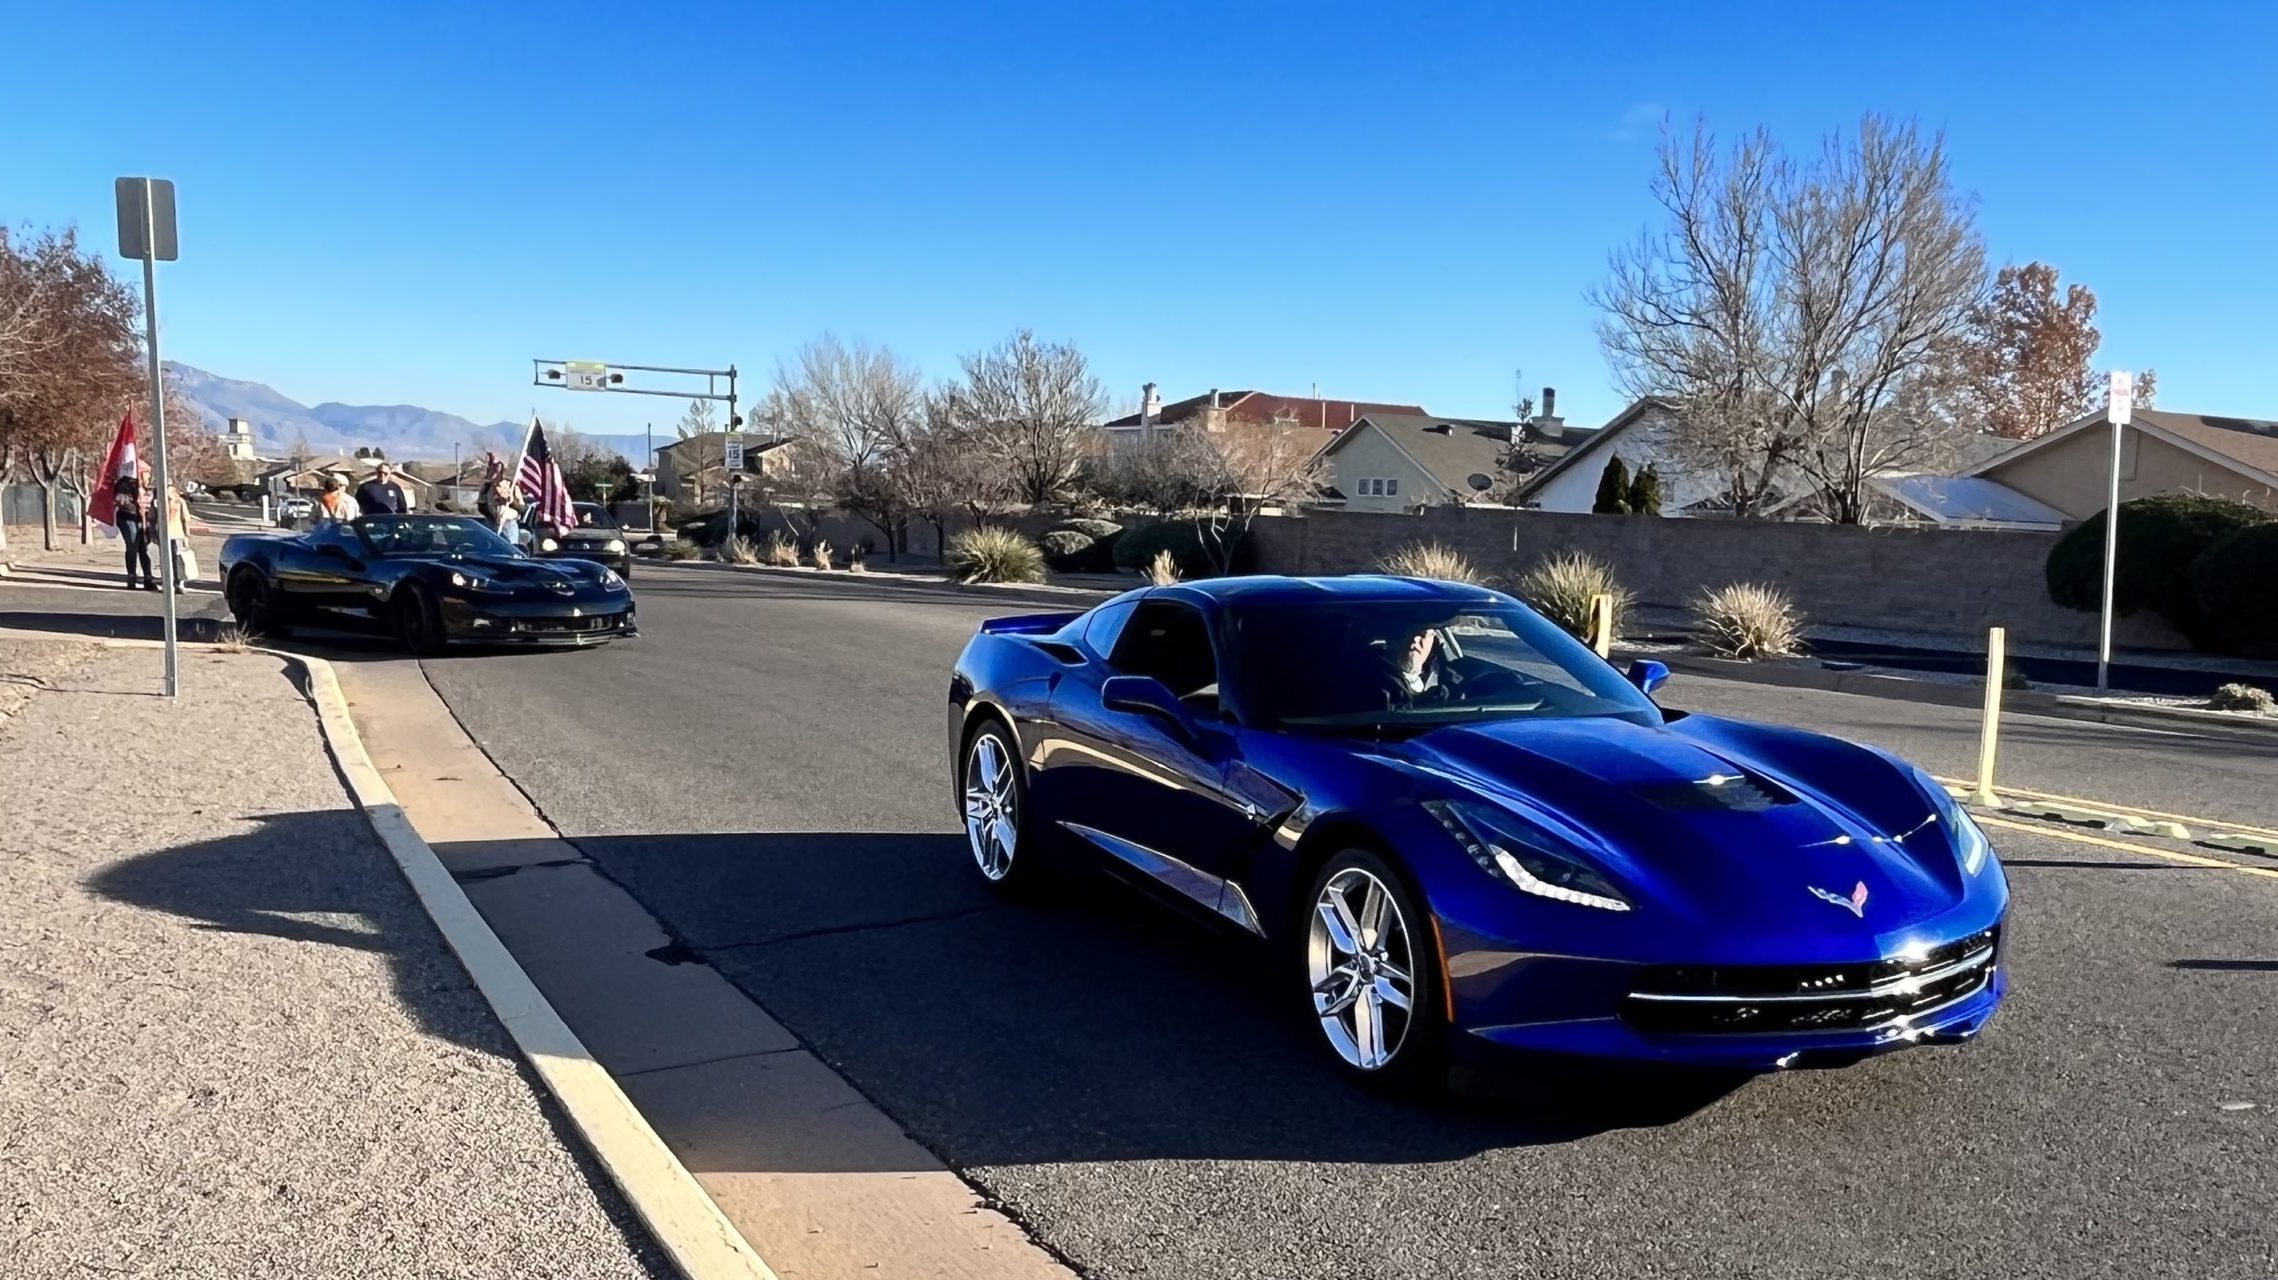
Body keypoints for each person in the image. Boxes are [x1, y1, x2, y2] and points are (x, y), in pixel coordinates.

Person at [112, 471, 157, 590]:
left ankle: (148, 579)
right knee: (132, 546)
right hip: (128, 516)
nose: (147, 477)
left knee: (143, 549)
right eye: (145, 473)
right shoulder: (126, 483)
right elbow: (118, 498)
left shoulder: (150, 487)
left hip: (143, 519)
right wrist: (132, 497)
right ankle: (131, 578)